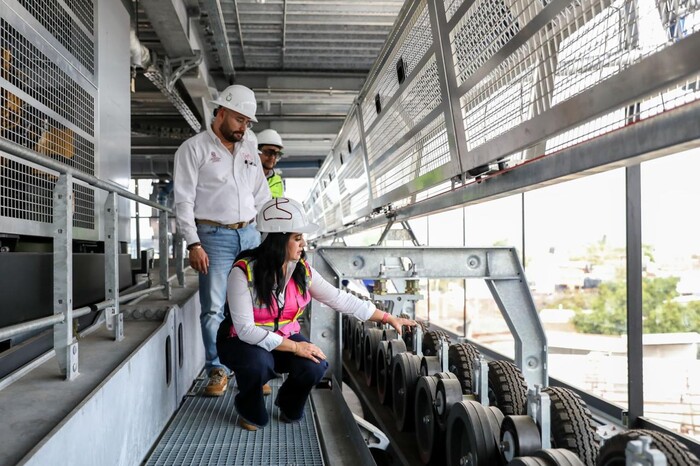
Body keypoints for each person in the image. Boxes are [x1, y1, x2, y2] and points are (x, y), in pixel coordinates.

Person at [216, 197, 416, 430]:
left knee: (316, 365)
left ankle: (289, 402)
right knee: (258, 364)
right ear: (278, 240)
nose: (303, 244)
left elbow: (338, 298)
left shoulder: (302, 271)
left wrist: (386, 317)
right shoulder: (243, 272)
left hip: (283, 337)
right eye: (297, 238)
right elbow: (246, 330)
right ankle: (250, 407)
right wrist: (296, 347)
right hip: (242, 342)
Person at [174, 84, 271, 397]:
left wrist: (272, 234)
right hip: (212, 237)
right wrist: (193, 243)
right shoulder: (194, 149)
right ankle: (217, 369)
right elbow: (183, 200)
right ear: (222, 112)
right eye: (240, 120)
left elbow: (261, 194)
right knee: (214, 307)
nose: (244, 127)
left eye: (248, 123)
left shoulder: (248, 149)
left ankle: (254, 368)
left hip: (250, 234)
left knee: (255, 304)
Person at [256, 129, 285, 198]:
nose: (272, 158)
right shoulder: (245, 175)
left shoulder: (278, 181)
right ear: (256, 151)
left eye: (276, 154)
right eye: (268, 152)